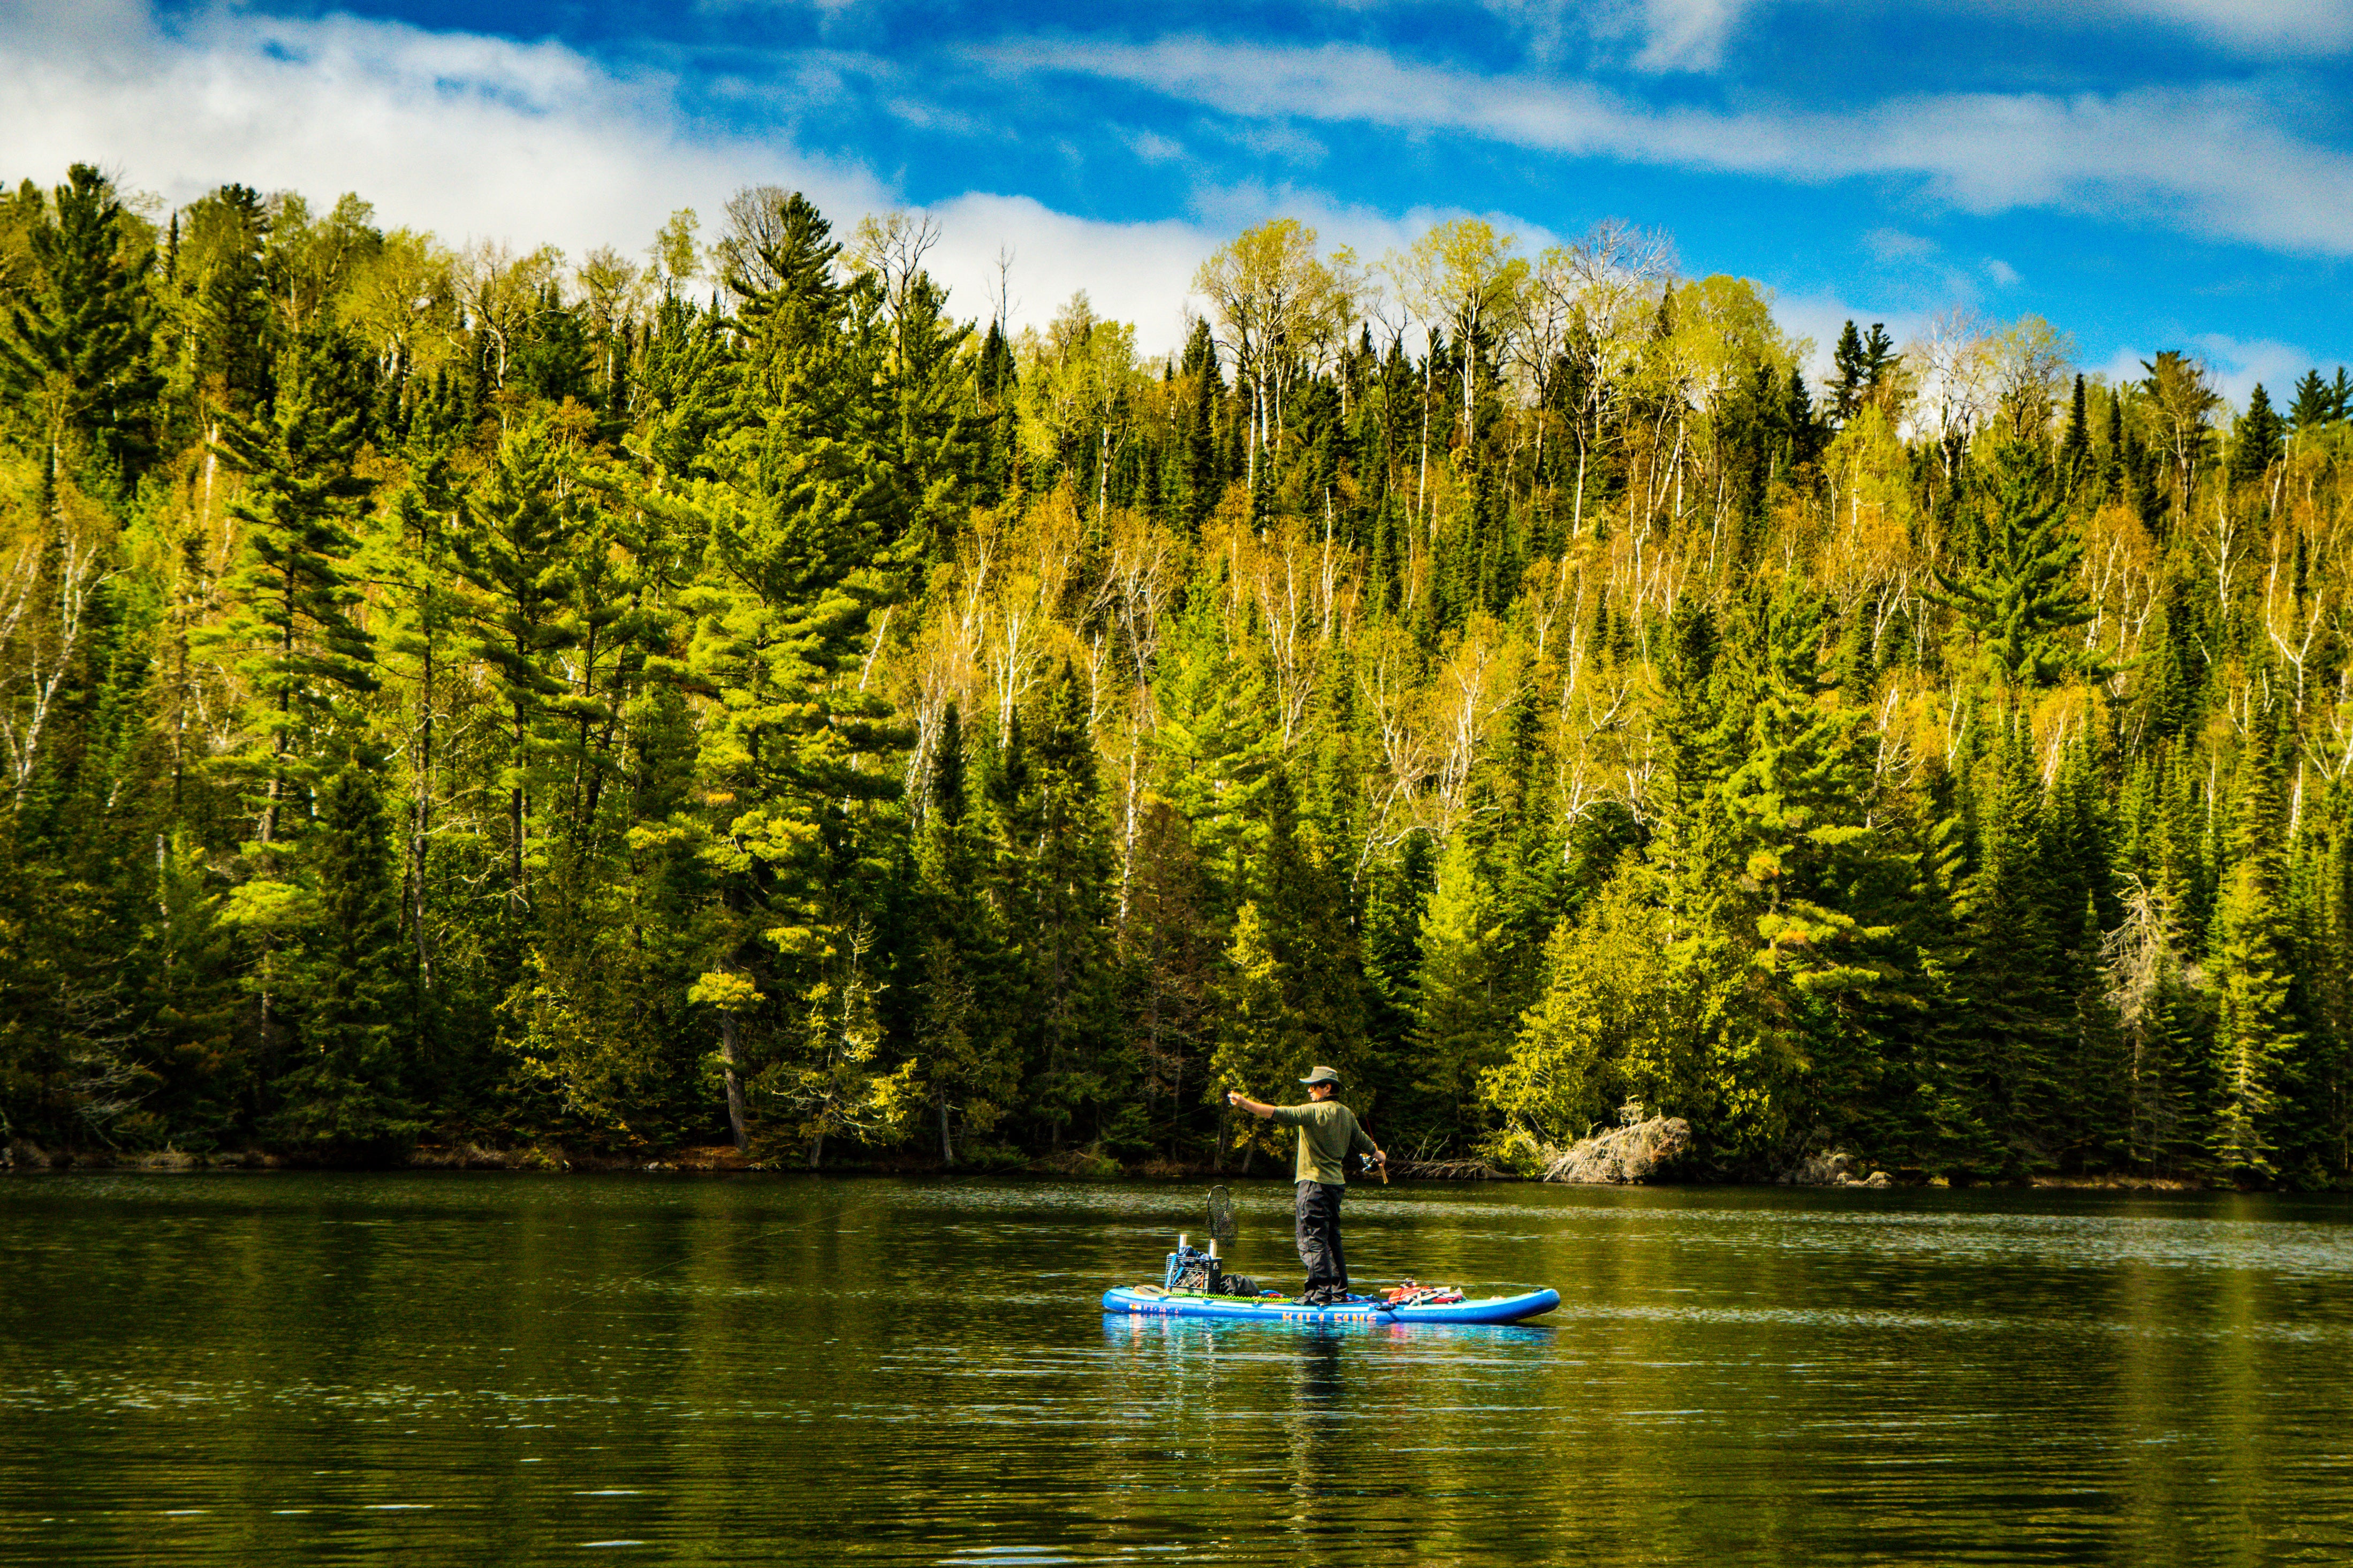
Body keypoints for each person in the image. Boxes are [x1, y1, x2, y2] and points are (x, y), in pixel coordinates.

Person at [1228, 1067, 1386, 1305]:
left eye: (1314, 1086)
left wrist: (1245, 1104)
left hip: (1313, 1186)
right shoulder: (1347, 1114)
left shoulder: (1312, 1112)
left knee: (1311, 1239)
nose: (1310, 1090)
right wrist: (1378, 1154)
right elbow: (1363, 1141)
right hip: (1335, 1187)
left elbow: (1277, 1113)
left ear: (1327, 1088)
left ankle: (1318, 1294)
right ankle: (1337, 1292)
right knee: (1332, 1239)